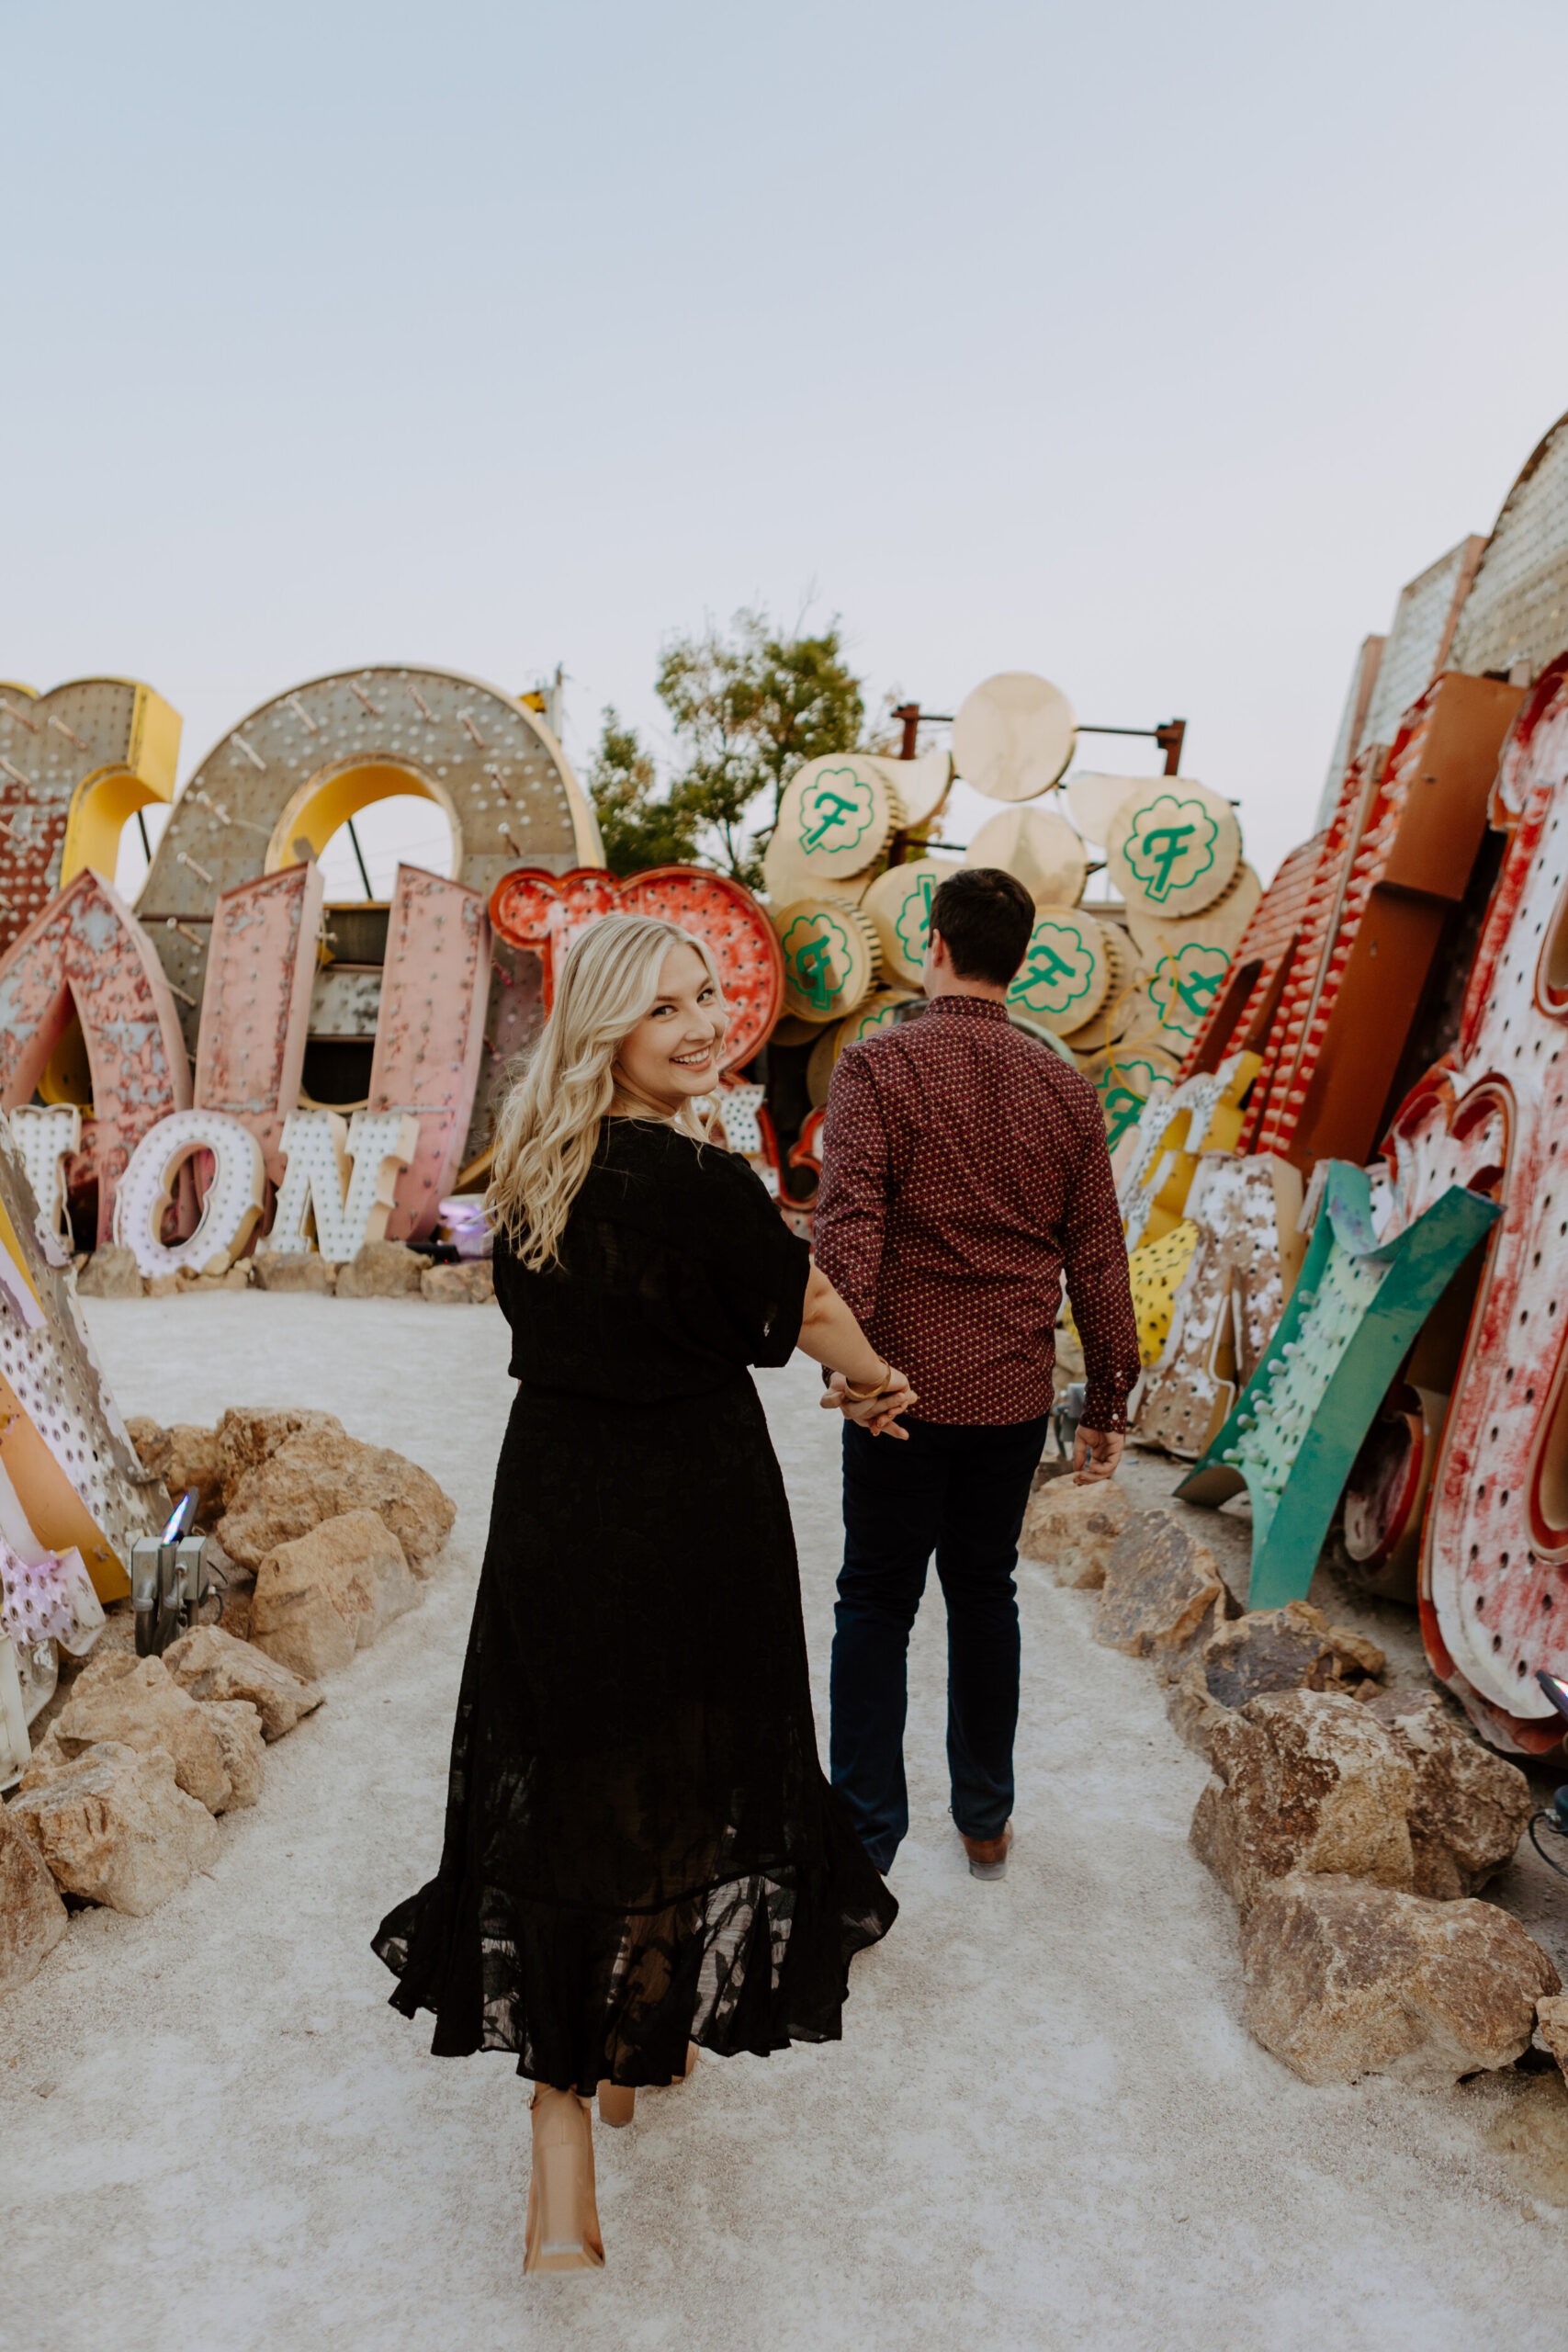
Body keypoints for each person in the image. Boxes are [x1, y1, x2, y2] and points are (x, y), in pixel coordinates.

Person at [374, 913, 908, 2277]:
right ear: (606, 1022)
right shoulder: (701, 1182)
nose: (699, 1021)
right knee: (677, 1774)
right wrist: (874, 1379)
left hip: (554, 1512)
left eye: (707, 996)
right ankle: (616, 2073)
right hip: (691, 1514)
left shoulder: (536, 1174)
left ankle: (579, 2132)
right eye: (664, 1004)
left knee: (562, 1784)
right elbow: (813, 1314)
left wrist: (840, 1353)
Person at [812, 866, 1141, 1882]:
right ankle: (986, 1817)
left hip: (897, 1391)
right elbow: (1098, 1254)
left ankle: (865, 1838)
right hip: (1008, 1393)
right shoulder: (1067, 1090)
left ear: (934, 944)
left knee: (874, 1600)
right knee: (984, 1591)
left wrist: (852, 1361)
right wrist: (1111, 1398)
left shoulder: (877, 1069)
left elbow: (851, 1221)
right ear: (1025, 959)